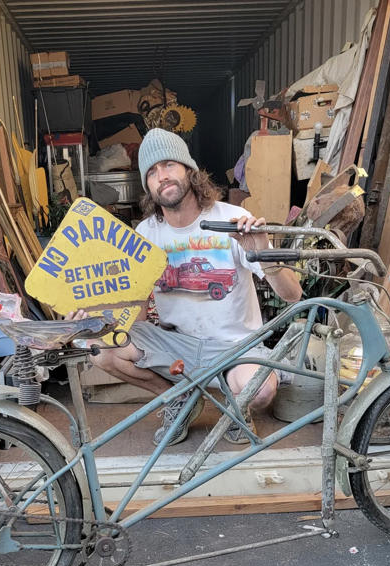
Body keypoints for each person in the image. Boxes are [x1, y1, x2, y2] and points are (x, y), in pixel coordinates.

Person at [89, 128, 302, 446]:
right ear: (147, 185)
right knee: (101, 350)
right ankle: (179, 398)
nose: (162, 176)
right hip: (177, 345)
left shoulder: (233, 219)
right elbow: (137, 317)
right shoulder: (145, 234)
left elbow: (293, 295)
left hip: (235, 347)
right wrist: (94, 317)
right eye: (152, 172)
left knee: (261, 391)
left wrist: (261, 250)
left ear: (189, 170)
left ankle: (237, 405)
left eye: (169, 164)